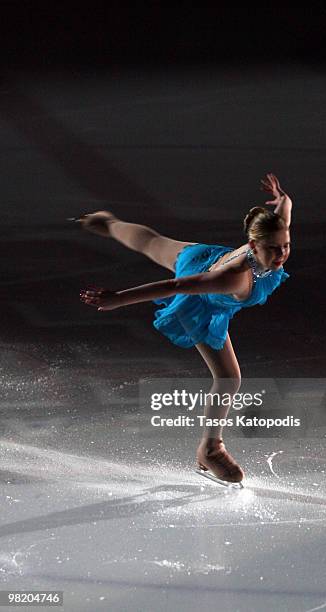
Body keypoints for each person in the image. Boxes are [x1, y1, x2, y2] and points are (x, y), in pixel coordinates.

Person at [79, 173, 292, 485]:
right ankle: (210, 448)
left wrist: (280, 196)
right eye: (274, 249)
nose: (282, 254)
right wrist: (118, 299)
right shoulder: (234, 277)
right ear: (253, 245)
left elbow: (286, 207)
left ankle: (107, 222)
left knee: (152, 241)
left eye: (285, 246)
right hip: (203, 302)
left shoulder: (275, 237)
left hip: (202, 256)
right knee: (229, 378)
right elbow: (175, 285)